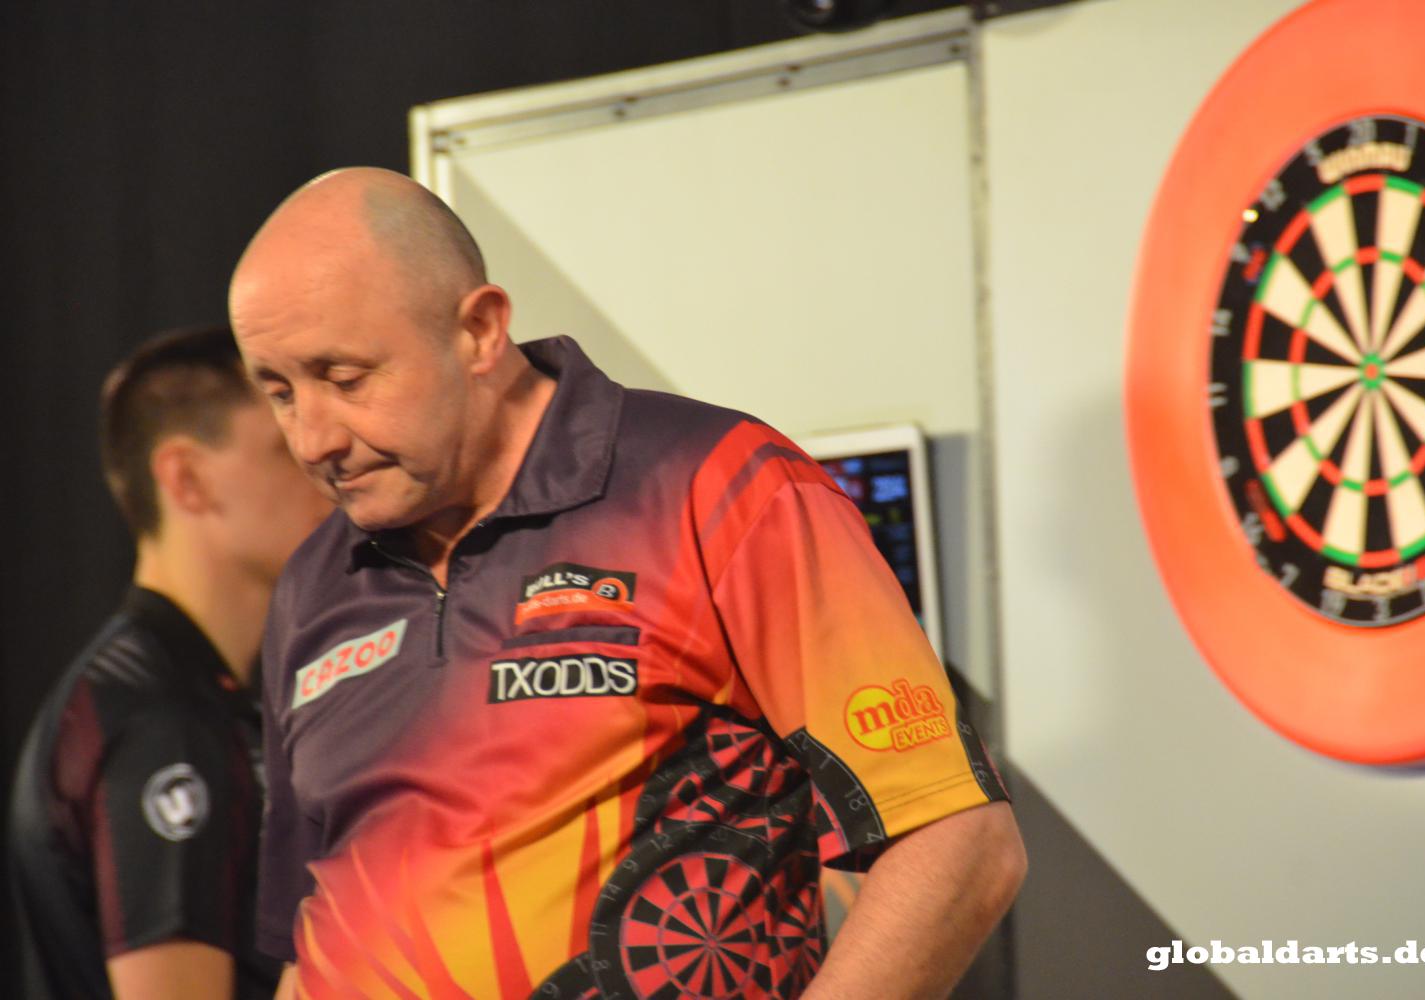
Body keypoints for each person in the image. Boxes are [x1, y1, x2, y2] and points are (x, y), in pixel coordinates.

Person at [231, 167, 1027, 1000]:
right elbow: (310, 942)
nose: (312, 440)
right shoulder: (313, 583)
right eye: (279, 394)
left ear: (480, 330)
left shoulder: (715, 487)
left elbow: (958, 842)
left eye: (346, 379)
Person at [7, 326, 332, 1000]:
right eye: (283, 446)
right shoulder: (159, 718)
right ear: (186, 479)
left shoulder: (188, 693)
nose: (323, 463)